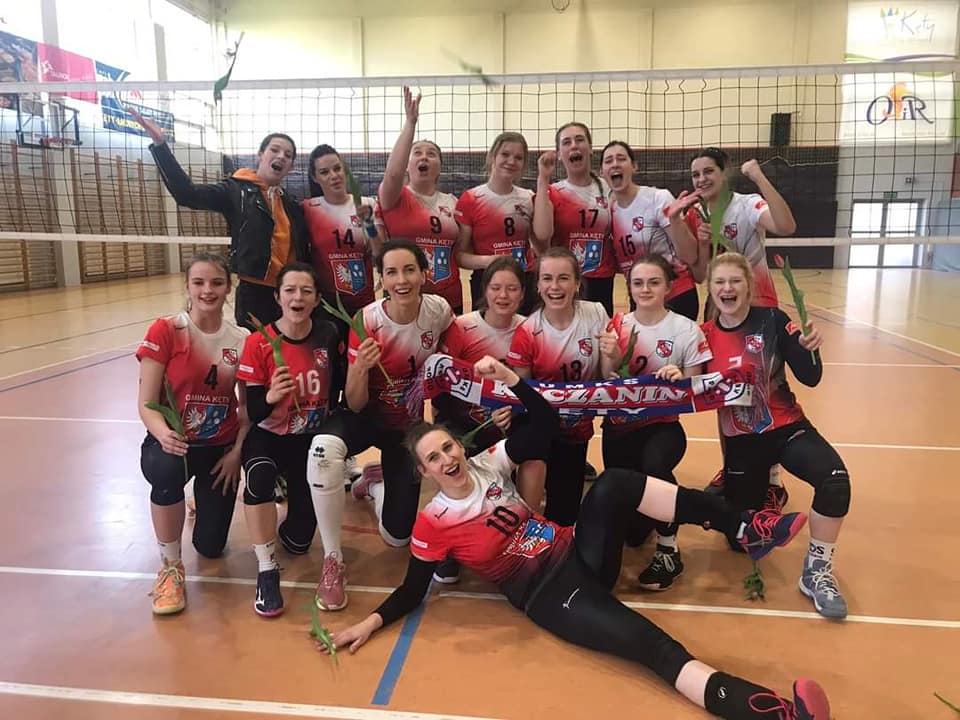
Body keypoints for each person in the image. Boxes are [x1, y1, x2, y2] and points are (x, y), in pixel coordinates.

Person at [321, 356, 830, 720]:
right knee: (652, 645)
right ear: (423, 471)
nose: (447, 460)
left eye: (448, 448)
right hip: (552, 595)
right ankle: (776, 712)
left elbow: (543, 422)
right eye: (434, 458)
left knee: (614, 483)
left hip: (577, 550)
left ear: (459, 446)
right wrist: (367, 623)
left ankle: (744, 526)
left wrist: (511, 380)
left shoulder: (487, 464)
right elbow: (413, 589)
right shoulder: (434, 521)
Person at [702, 252, 850, 619]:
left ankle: (816, 572)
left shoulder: (772, 320)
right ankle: (768, 487)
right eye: (720, 281)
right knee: (740, 543)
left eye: (735, 281)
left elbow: (811, 378)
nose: (727, 288)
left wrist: (810, 350)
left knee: (835, 482)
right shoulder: (702, 336)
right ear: (711, 289)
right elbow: (690, 388)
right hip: (742, 442)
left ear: (749, 287)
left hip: (786, 428)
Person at [236, 263, 352, 617]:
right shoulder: (258, 342)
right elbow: (254, 411)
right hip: (269, 437)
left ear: (316, 299)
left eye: (306, 291)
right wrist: (271, 396)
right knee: (259, 476)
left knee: (299, 542)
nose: (297, 297)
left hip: (309, 442)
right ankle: (266, 569)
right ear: (278, 297)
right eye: (289, 290)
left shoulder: (329, 334)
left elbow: (340, 388)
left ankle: (291, 520)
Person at [136, 253, 249, 615]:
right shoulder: (167, 330)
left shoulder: (241, 339)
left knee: (211, 548)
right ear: (187, 286)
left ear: (228, 288)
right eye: (198, 282)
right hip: (176, 443)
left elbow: (246, 411)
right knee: (166, 470)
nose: (207, 290)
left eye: (216, 282)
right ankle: (170, 567)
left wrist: (236, 454)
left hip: (219, 449)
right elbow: (146, 403)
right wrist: (163, 434)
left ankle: (200, 503)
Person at [131, 109, 310, 330]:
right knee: (256, 349)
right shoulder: (235, 191)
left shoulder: (291, 204)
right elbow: (186, 194)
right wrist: (160, 145)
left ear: (290, 167)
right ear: (260, 155)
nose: (281, 156)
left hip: (289, 292)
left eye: (288, 155)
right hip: (255, 293)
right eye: (275, 150)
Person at [688, 147, 797, 499]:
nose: (701, 179)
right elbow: (701, 274)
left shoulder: (747, 205)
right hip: (719, 312)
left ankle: (773, 480)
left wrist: (759, 176)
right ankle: (733, 467)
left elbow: (786, 226)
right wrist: (702, 243)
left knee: (766, 392)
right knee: (725, 394)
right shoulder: (696, 213)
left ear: (725, 173)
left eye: (708, 171)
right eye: (695, 174)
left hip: (759, 306)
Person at [602, 254, 713, 590]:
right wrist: (611, 358)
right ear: (629, 287)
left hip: (662, 427)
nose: (645, 289)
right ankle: (649, 521)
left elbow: (695, 386)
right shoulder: (616, 326)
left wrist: (680, 377)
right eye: (638, 283)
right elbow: (604, 380)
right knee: (633, 535)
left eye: (654, 282)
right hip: (620, 428)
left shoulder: (685, 329)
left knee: (654, 468)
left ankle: (669, 550)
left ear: (669, 287)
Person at [345, 240, 454, 548]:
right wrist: (360, 367)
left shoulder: (438, 311)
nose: (402, 280)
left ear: (424, 274)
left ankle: (374, 484)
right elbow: (354, 403)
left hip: (406, 427)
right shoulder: (366, 320)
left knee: (397, 537)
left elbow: (450, 363)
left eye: (409, 270)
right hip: (367, 419)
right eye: (392, 272)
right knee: (324, 448)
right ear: (382, 279)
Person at [508, 247, 612, 526]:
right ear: (538, 285)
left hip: (577, 431)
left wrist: (612, 355)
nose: (554, 286)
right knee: (529, 510)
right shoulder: (528, 332)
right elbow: (524, 398)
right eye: (547, 278)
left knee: (564, 516)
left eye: (563, 278)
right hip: (541, 431)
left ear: (577, 283)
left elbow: (606, 375)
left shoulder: (595, 313)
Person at [378, 87, 463, 313]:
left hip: (449, 298)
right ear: (407, 165)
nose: (424, 156)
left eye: (431, 154)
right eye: (417, 153)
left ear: (439, 167)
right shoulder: (395, 196)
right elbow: (392, 175)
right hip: (405, 298)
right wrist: (410, 123)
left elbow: (461, 251)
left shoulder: (454, 202)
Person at [601, 140, 704, 320]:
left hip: (675, 295)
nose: (615, 164)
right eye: (608, 160)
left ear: (634, 166)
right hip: (640, 298)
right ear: (602, 173)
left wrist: (675, 220)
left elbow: (690, 255)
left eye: (621, 158)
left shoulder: (658, 198)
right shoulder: (608, 211)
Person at [533, 122, 616, 317]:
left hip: (600, 279)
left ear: (590, 149)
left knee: (600, 333)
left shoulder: (610, 189)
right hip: (562, 280)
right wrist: (543, 179)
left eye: (580, 140)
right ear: (559, 154)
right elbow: (542, 233)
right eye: (566, 142)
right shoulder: (553, 192)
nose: (574, 146)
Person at [455, 132, 540, 314]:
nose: (511, 161)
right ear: (493, 156)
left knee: (526, 330)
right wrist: (489, 261)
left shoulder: (529, 198)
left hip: (523, 280)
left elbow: (540, 244)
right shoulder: (471, 198)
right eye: (505, 154)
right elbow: (460, 256)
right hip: (487, 280)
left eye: (518, 157)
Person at [303, 144, 383, 324]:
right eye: (324, 172)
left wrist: (369, 225)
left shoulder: (367, 205)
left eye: (337, 168)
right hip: (326, 304)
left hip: (363, 301)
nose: (334, 176)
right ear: (315, 178)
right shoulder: (308, 208)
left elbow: (380, 255)